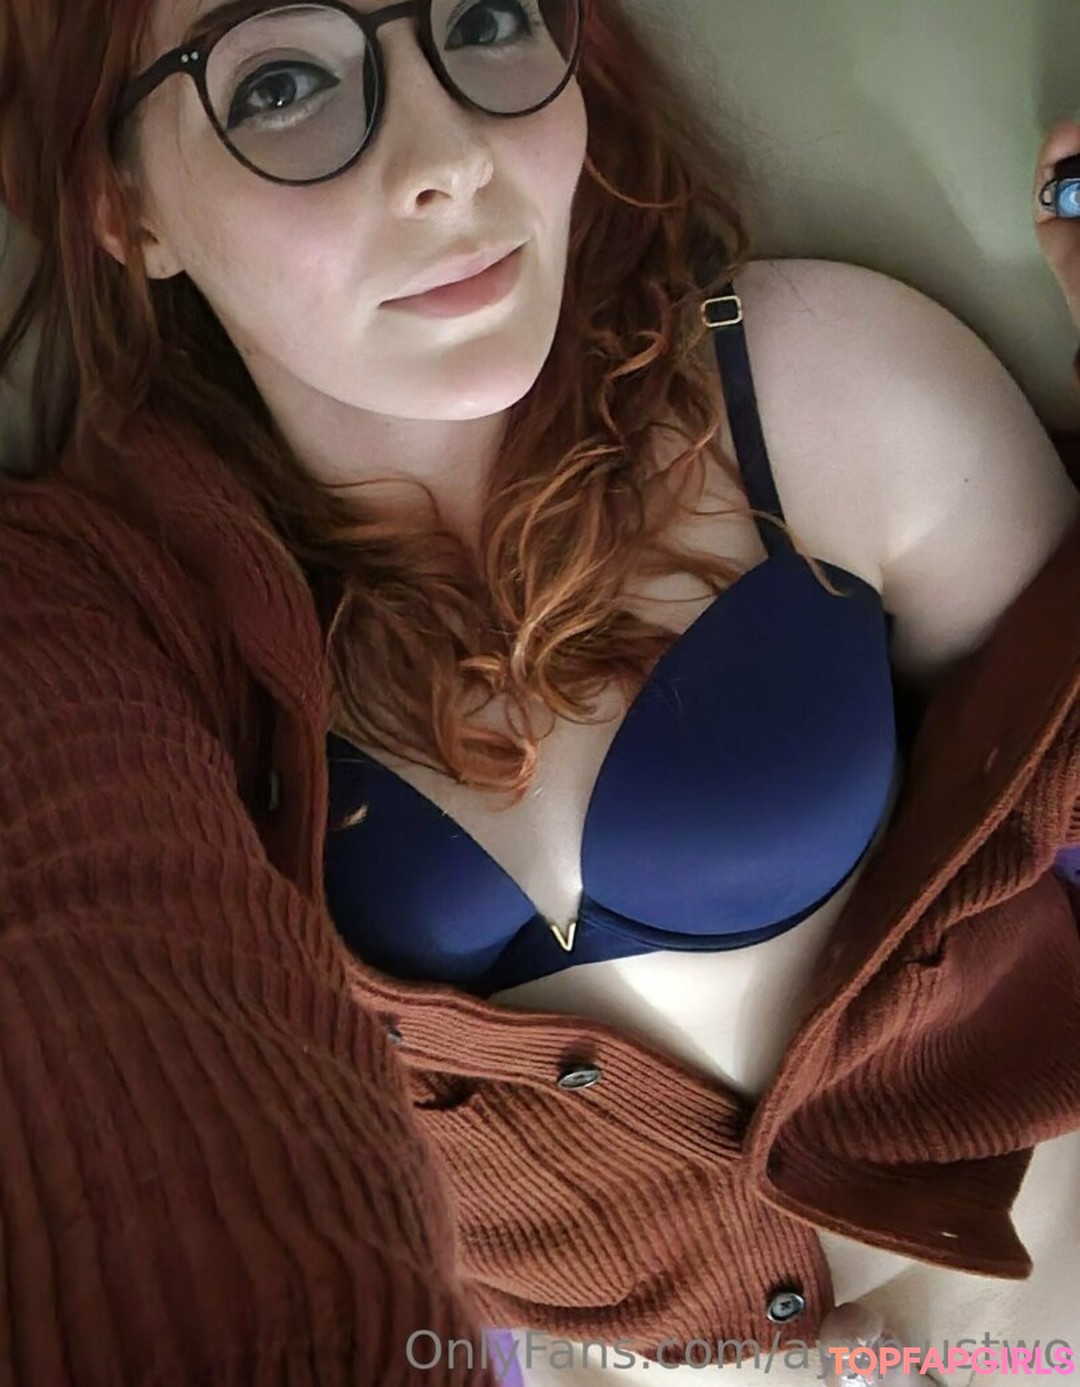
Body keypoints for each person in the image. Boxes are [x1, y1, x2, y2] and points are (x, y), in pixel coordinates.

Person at [0, 0, 1077, 1383]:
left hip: (1038, 1270)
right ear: (123, 206)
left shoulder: (818, 381)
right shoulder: (132, 630)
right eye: (281, 85)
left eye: (488, 16)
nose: (451, 155)